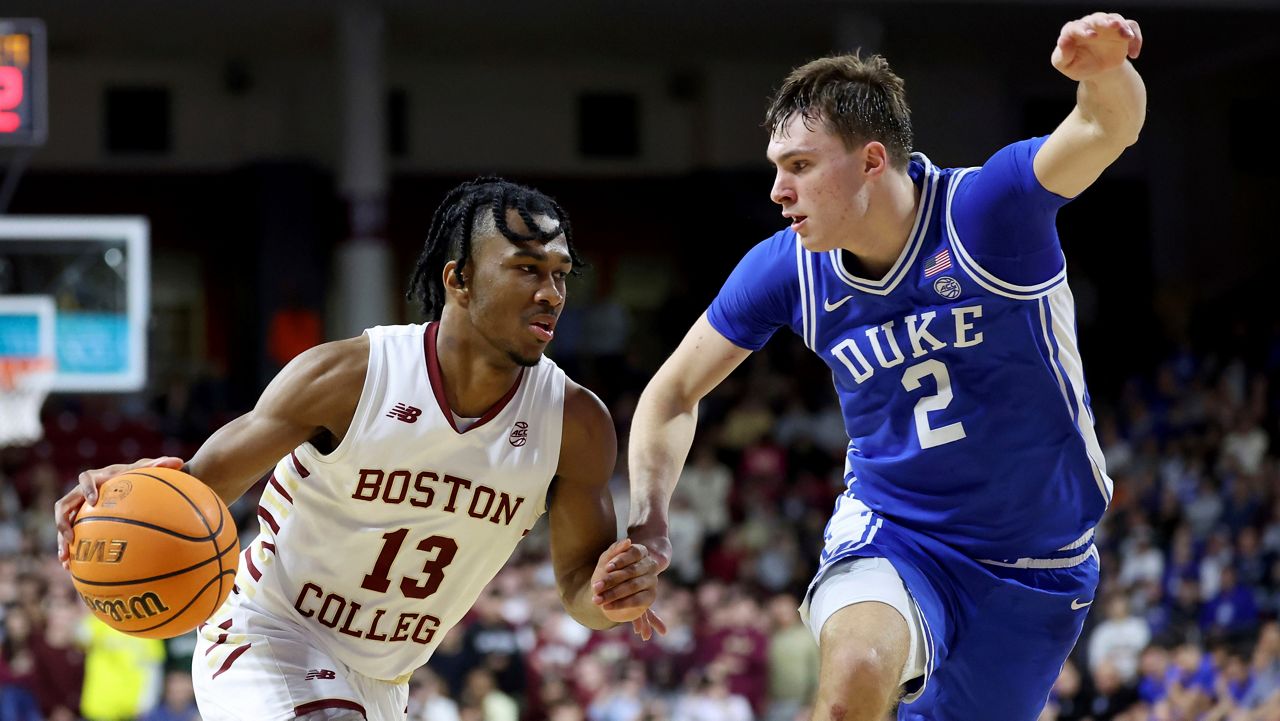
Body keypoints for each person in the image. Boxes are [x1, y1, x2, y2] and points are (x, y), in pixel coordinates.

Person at [627, 12, 1145, 721]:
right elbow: (671, 393)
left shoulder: (987, 213)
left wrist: (1107, 73)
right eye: (777, 168)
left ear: (872, 161)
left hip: (1037, 565)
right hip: (896, 531)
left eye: (800, 167)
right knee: (852, 682)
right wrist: (650, 518)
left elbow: (1102, 130)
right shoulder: (789, 270)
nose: (779, 191)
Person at [54, 177, 665, 720]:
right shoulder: (348, 376)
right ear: (458, 279)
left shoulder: (576, 422)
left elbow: (580, 591)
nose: (552, 293)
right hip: (267, 636)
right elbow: (196, 488)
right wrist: (121, 498)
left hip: (383, 682)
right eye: (527, 268)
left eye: (560, 274)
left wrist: (613, 596)